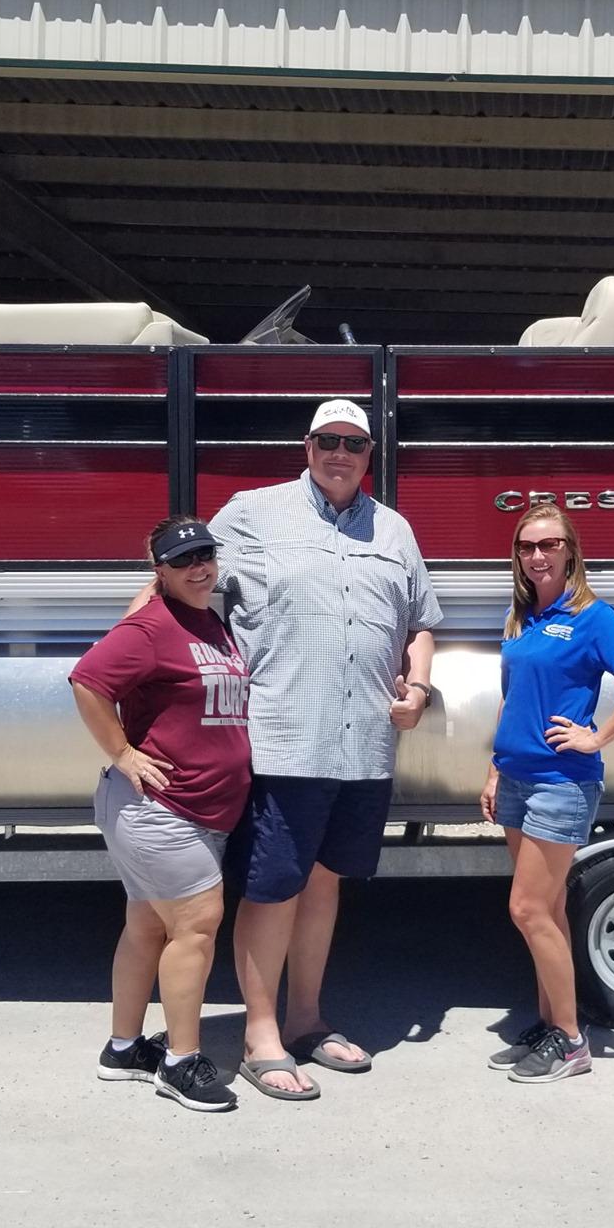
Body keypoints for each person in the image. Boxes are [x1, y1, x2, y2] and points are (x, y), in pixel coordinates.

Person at [131, 397, 441, 1101]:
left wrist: (418, 688)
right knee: (274, 890)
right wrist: (122, 660)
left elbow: (420, 622)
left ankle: (306, 1020)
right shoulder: (250, 512)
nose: (340, 453)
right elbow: (180, 583)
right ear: (306, 446)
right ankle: (259, 1035)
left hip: (363, 745)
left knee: (325, 882)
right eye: (327, 440)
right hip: (281, 741)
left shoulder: (393, 530)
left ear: (370, 455)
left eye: (353, 444)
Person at [480, 502, 614, 1084]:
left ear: (570, 550)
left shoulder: (592, 615)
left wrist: (597, 736)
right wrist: (494, 768)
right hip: (515, 777)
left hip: (560, 784)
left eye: (549, 544)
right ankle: (549, 1022)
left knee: (527, 908)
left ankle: (570, 1041)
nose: (538, 555)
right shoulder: (522, 618)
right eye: (527, 546)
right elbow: (516, 701)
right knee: (551, 909)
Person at [70, 516, 250, 1114]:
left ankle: (123, 1049)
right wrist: (122, 753)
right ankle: (180, 1062)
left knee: (147, 926)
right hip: (161, 809)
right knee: (196, 925)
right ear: (161, 572)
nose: (199, 568)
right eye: (182, 562)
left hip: (195, 809)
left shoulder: (207, 621)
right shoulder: (151, 628)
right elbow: (88, 679)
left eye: (205, 556)